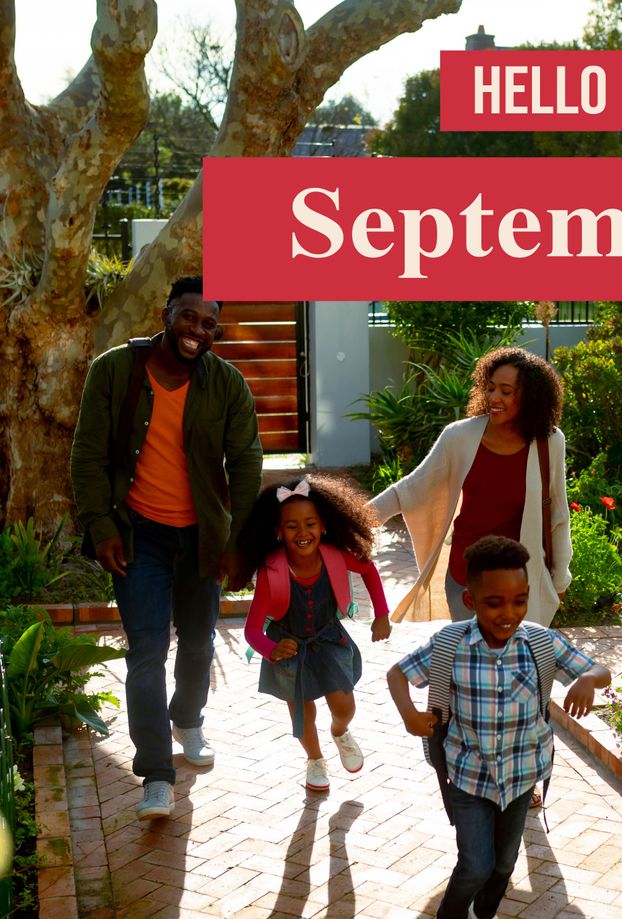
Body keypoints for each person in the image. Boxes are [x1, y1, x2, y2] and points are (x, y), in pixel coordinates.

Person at [70, 275, 263, 820]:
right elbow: (87, 455)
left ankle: (189, 717)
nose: (197, 329)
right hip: (138, 535)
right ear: (166, 313)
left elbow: (246, 461)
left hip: (202, 534)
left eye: (208, 323)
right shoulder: (114, 370)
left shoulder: (226, 383)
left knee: (199, 643)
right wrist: (101, 526)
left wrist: (240, 542)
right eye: (188, 316)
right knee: (147, 650)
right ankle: (156, 772)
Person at [387, 536, 610, 919]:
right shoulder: (451, 645)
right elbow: (397, 674)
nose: (508, 614)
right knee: (476, 862)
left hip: (522, 778)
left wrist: (587, 679)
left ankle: (485, 915)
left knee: (505, 865)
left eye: (519, 601)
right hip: (468, 777)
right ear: (470, 600)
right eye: (494, 603)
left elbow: (599, 669)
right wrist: (411, 714)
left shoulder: (540, 644)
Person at [371, 346, 572, 808]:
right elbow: (412, 488)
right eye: (491, 387)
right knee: (474, 680)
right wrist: (357, 518)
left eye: (508, 391)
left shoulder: (549, 442)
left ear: (532, 399)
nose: (495, 398)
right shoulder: (461, 436)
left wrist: (558, 575)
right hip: (466, 579)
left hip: (523, 587)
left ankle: (526, 777)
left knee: (531, 685)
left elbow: (557, 511)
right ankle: (473, 771)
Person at [241, 474, 391, 792]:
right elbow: (253, 629)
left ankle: (340, 732)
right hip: (289, 649)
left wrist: (382, 615)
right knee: (302, 714)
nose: (302, 532)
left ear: (323, 525)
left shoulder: (336, 557)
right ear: (278, 532)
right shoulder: (272, 572)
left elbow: (368, 569)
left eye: (310, 523)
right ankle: (315, 760)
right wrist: (271, 649)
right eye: (292, 526)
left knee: (344, 705)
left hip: (328, 639)